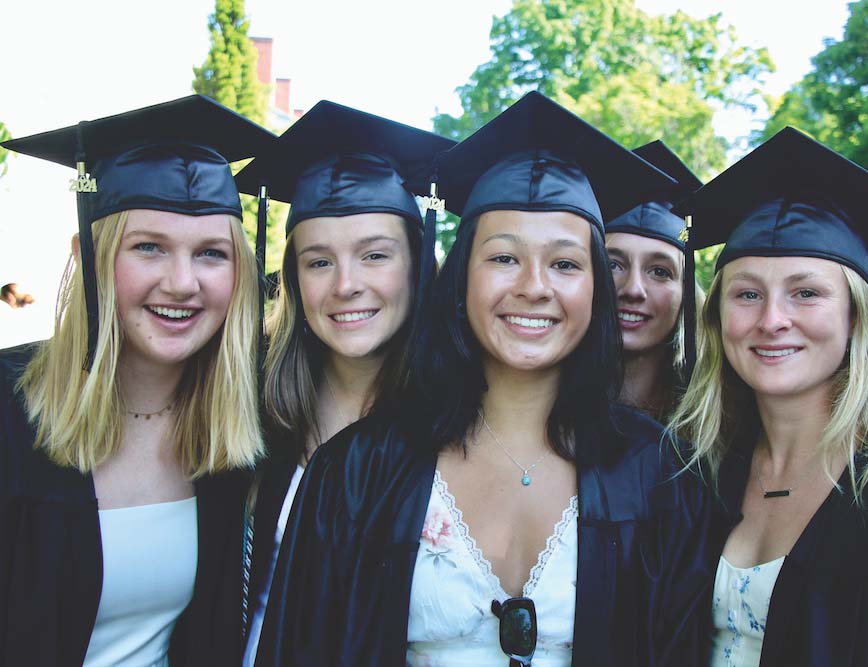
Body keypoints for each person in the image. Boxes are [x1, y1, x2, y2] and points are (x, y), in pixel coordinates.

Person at [256, 92, 712, 666]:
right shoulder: (355, 470)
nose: (534, 287)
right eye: (503, 258)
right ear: (460, 279)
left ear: (597, 288)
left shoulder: (660, 475)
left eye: (565, 264)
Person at [670, 127, 868, 666]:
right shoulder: (706, 466)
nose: (772, 320)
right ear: (717, 318)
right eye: (747, 294)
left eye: (806, 293)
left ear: (856, 318)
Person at [0, 95, 274, 666]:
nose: (182, 282)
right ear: (88, 257)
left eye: (211, 253)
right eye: (149, 247)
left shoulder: (240, 432)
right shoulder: (9, 408)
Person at [232, 100, 453, 666]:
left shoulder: (459, 419)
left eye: (375, 255)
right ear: (293, 276)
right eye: (318, 262)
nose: (345, 285)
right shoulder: (252, 408)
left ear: (417, 264)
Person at [605, 140, 703, 421]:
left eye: (660, 271)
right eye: (613, 265)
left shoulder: (716, 425)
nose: (633, 289)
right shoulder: (539, 413)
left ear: (686, 292)